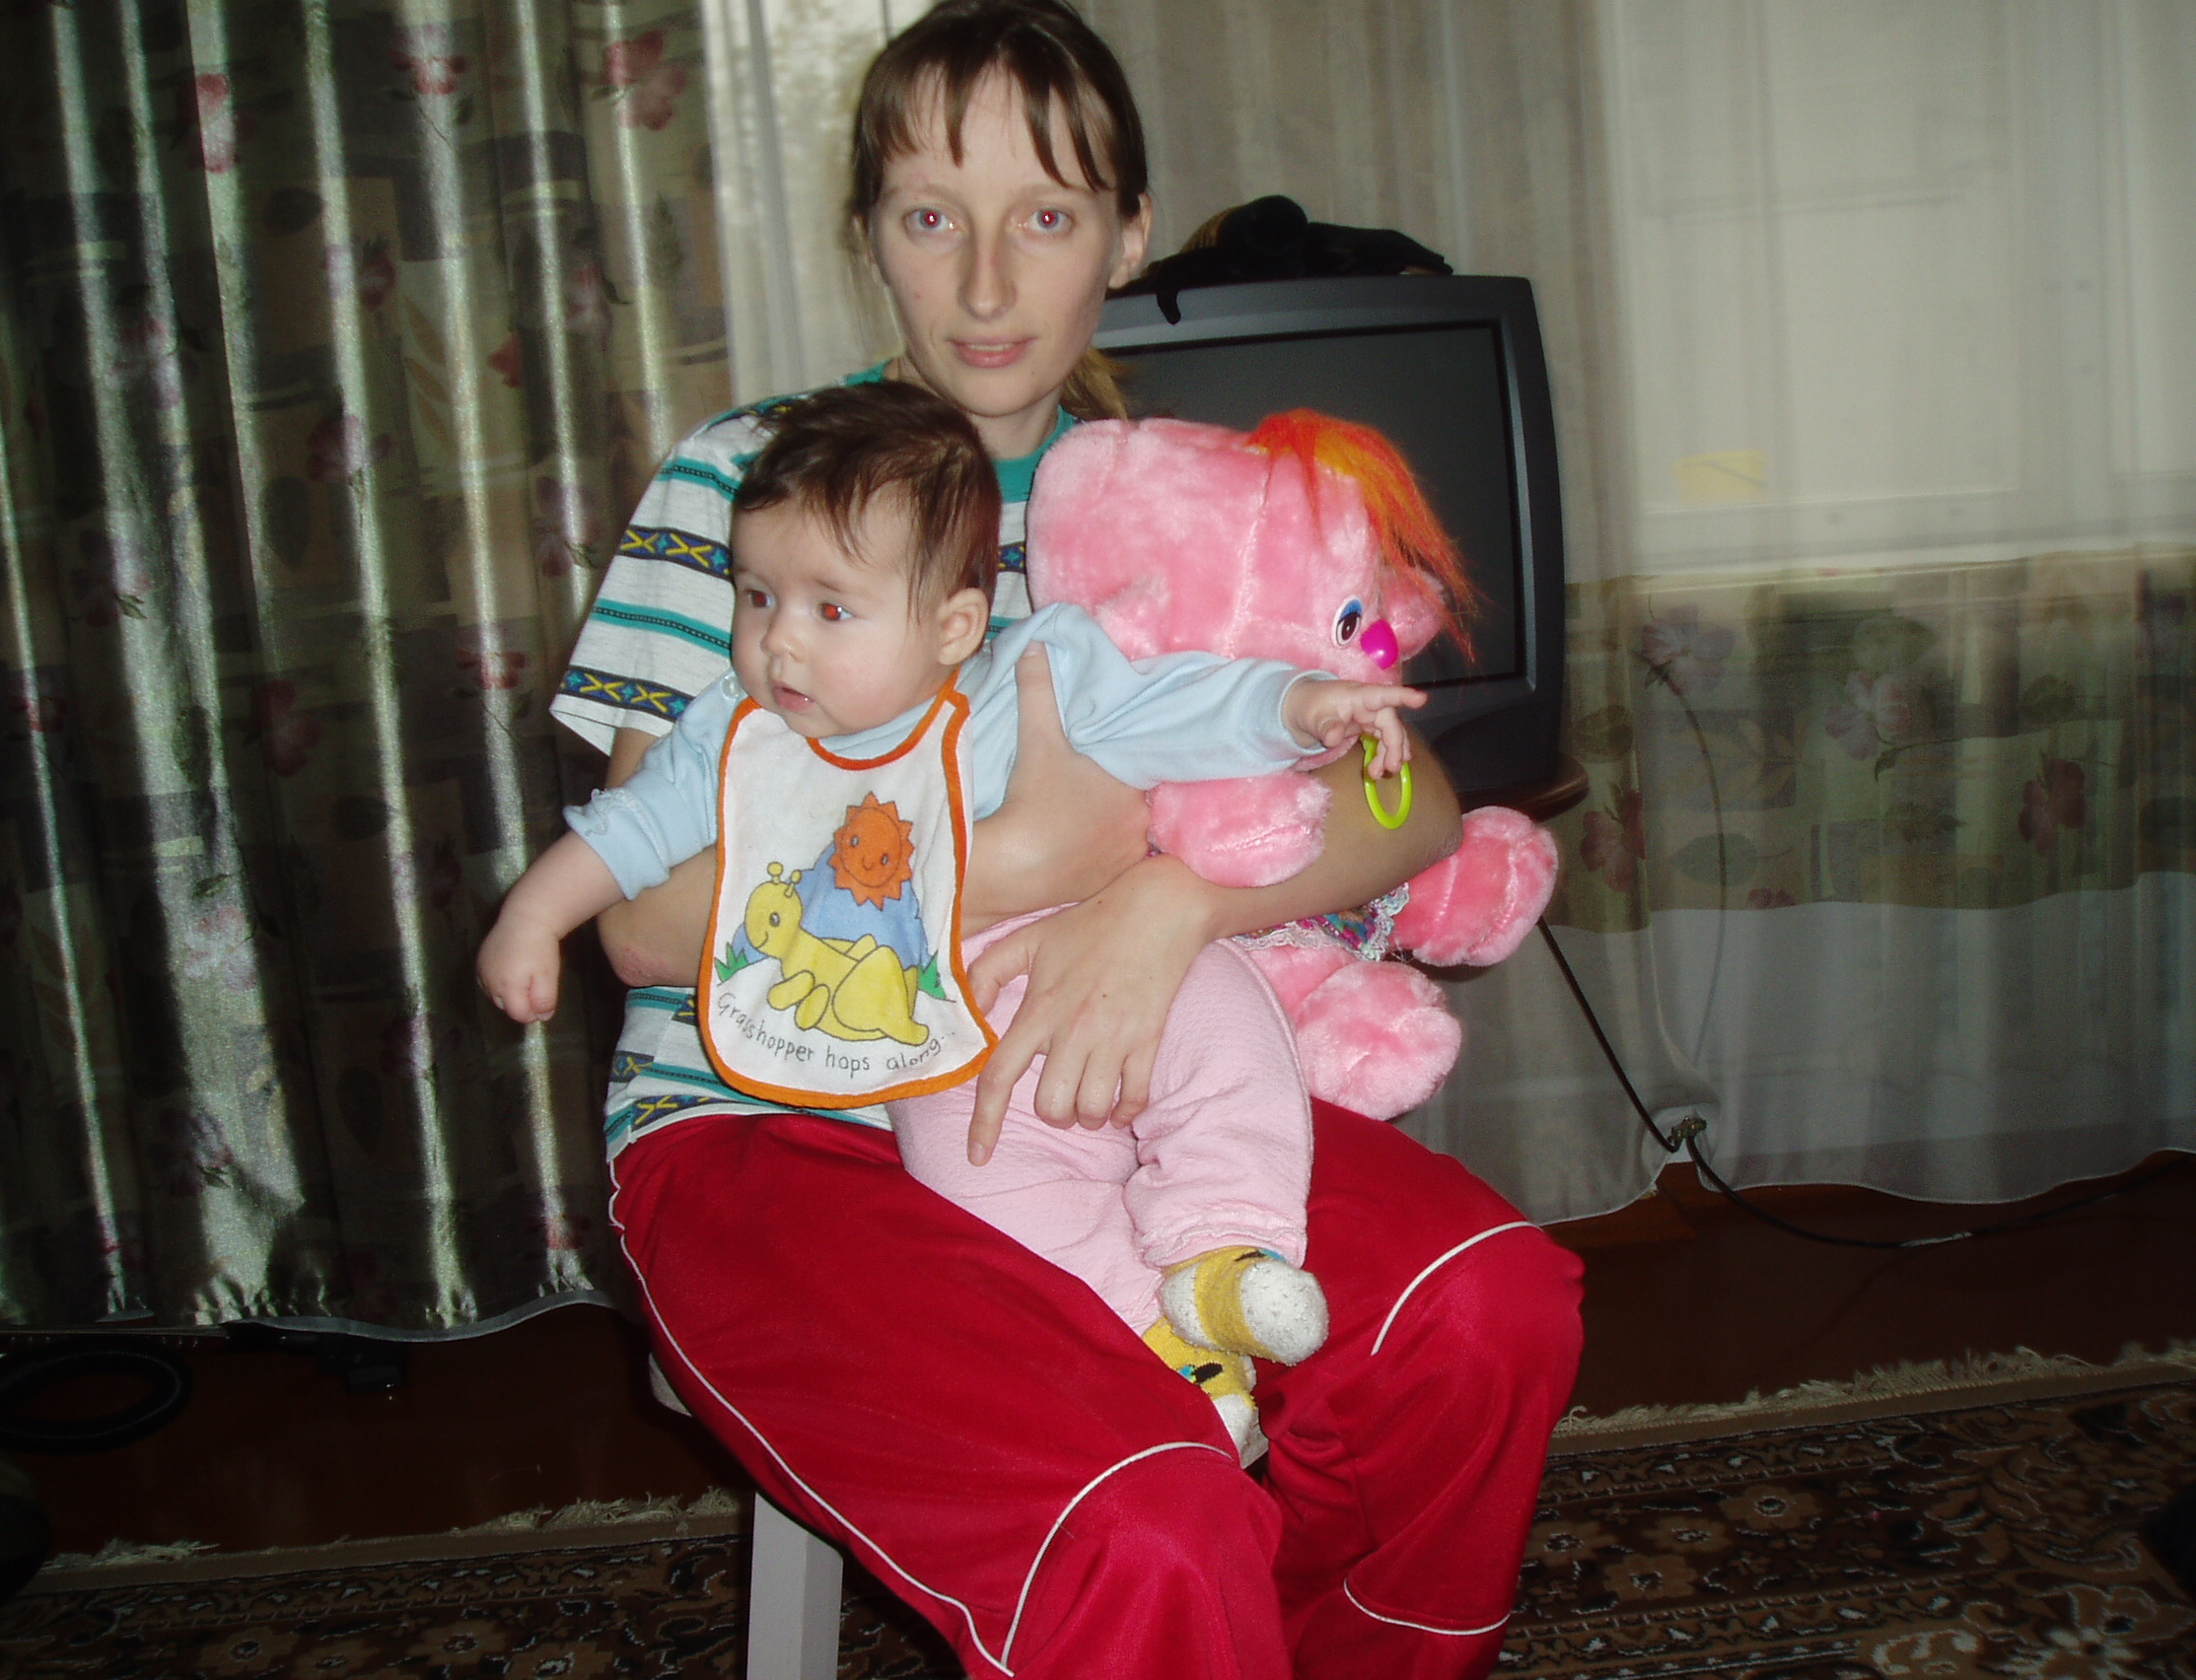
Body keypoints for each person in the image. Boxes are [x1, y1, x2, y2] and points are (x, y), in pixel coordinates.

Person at [548, 4, 1585, 1675]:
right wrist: (1030, 866)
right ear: (866, 233)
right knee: (1143, 1517)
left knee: (1485, 1311)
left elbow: (1418, 799)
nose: (983, 284)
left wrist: (1171, 898)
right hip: (771, 1112)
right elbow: (644, 924)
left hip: (1118, 1085)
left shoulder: (1205, 493)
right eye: (929, 216)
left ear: (1127, 229)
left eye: (1043, 216)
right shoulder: (755, 485)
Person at [490, 382, 1433, 1462]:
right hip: (947, 1040)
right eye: (756, 598)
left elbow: (1180, 702)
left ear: (954, 625)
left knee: (1226, 1024)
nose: (778, 644)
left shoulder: (1033, 675)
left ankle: (1229, 1248)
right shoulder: (734, 735)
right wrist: (533, 914)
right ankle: (1170, 1344)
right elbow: (628, 833)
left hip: (1101, 974)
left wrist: (1300, 707)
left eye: (829, 610)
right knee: (977, 1176)